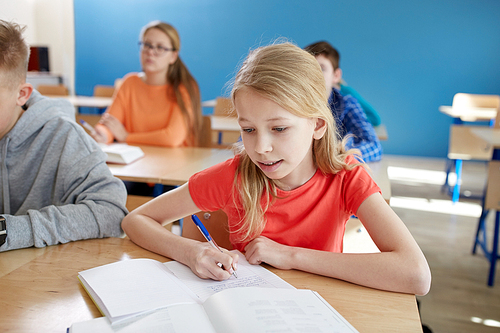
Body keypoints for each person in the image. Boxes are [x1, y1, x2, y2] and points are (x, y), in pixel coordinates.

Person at [122, 42, 431, 296]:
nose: (260, 147)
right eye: (249, 129)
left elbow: (416, 275)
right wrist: (191, 252)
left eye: (279, 128)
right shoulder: (233, 175)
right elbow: (136, 220)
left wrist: (289, 255)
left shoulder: (346, 177)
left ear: (317, 125)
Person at [0, 20, 127, 252]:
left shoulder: (64, 137)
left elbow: (112, 212)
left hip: (36, 278)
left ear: (21, 94)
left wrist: (8, 230)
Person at [92, 20, 202, 148]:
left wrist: (126, 137)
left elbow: (172, 138)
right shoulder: (129, 83)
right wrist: (103, 135)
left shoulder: (184, 87)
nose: (150, 52)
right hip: (138, 161)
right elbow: (110, 124)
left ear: (173, 56)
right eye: (147, 45)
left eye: (160, 47)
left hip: (176, 163)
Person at [304, 41, 383, 162]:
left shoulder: (346, 104)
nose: (314, 74)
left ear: (336, 75)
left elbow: (373, 146)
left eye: (322, 68)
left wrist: (340, 157)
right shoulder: (291, 103)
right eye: (309, 68)